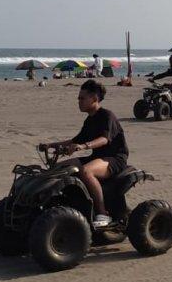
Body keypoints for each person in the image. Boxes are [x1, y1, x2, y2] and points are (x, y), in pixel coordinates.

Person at [39, 80, 127, 229]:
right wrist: (51, 145)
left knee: (86, 171)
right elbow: (75, 140)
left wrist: (83, 146)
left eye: (82, 98)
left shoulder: (106, 115)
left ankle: (102, 212)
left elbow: (104, 139)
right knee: (61, 168)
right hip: (97, 157)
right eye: (78, 98)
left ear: (94, 98)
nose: (78, 101)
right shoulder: (90, 120)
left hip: (114, 158)